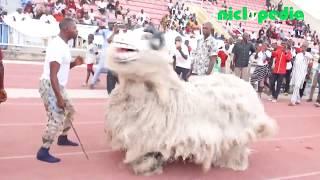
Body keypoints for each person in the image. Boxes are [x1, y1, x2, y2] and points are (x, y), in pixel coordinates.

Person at [36, 18, 84, 163]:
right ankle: (43, 150)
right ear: (66, 29)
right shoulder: (57, 46)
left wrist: (74, 63)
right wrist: (59, 97)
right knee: (56, 117)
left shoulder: (63, 45)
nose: (76, 31)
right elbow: (52, 75)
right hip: (50, 85)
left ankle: (62, 138)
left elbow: (62, 68)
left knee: (70, 110)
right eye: (74, 28)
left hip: (57, 85)